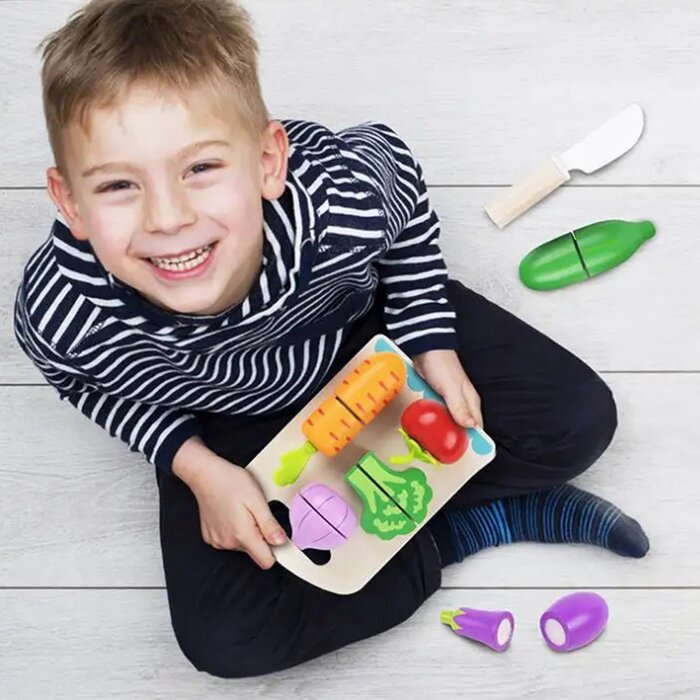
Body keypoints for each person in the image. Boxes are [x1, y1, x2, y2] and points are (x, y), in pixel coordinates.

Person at [14, 0, 649, 679]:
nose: (167, 218)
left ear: (266, 162)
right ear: (70, 202)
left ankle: (417, 509)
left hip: (362, 342)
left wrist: (429, 336)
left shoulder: (333, 201)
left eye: (200, 169)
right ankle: (469, 530)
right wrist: (193, 465)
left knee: (579, 420)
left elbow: (399, 177)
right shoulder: (62, 306)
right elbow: (79, 379)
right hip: (228, 427)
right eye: (118, 185)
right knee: (226, 640)